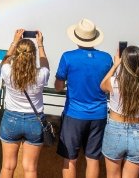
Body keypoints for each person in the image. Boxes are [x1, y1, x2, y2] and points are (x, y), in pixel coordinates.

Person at [54, 19, 113, 178]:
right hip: (99, 115)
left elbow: (58, 86)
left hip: (73, 115)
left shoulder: (68, 57)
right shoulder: (107, 58)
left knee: (70, 159)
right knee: (93, 159)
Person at [0, 29, 50, 178]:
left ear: (17, 54)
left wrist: (15, 41)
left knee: (7, 167)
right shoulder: (41, 75)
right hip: (35, 121)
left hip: (10, 119)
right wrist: (40, 44)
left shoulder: (8, 72)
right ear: (33, 55)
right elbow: (45, 65)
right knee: (30, 169)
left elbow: (5, 60)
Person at [99, 45, 139, 178]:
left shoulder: (114, 82)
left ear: (124, 63)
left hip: (115, 130)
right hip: (138, 132)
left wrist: (115, 65)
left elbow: (102, 85)